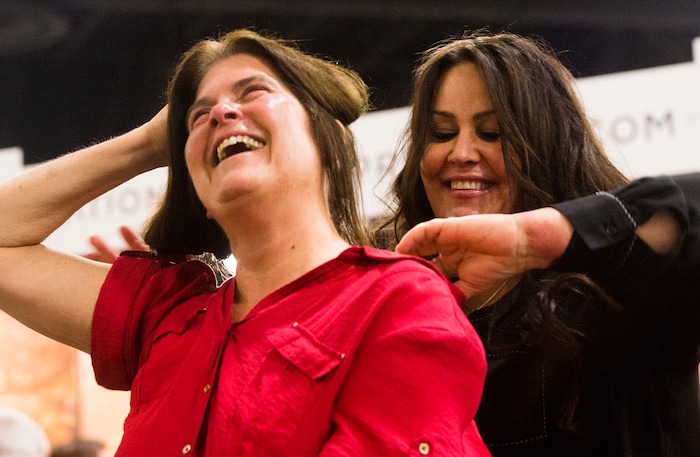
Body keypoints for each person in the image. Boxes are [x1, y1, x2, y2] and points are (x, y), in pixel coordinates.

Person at [0, 29, 490, 456]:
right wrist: (149, 142)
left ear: (332, 144)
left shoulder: (400, 300)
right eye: (198, 116)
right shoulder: (167, 312)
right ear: (198, 191)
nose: (221, 112)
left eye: (252, 91)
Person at [379, 31, 700, 456]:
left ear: (547, 146)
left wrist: (530, 240)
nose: (461, 152)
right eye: (440, 133)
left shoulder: (617, 294)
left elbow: (685, 220)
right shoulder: (390, 303)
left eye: (492, 132)